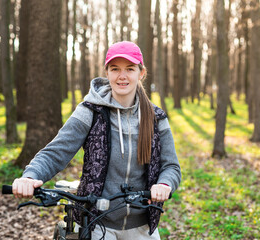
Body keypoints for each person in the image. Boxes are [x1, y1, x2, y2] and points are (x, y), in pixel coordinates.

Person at [12, 41, 181, 239]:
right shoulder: (90, 111)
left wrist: (164, 185)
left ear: (141, 73)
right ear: (107, 72)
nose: (122, 76)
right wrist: (30, 176)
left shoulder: (156, 118)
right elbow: (56, 152)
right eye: (115, 69)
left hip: (142, 226)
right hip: (96, 222)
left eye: (130, 69)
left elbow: (171, 166)